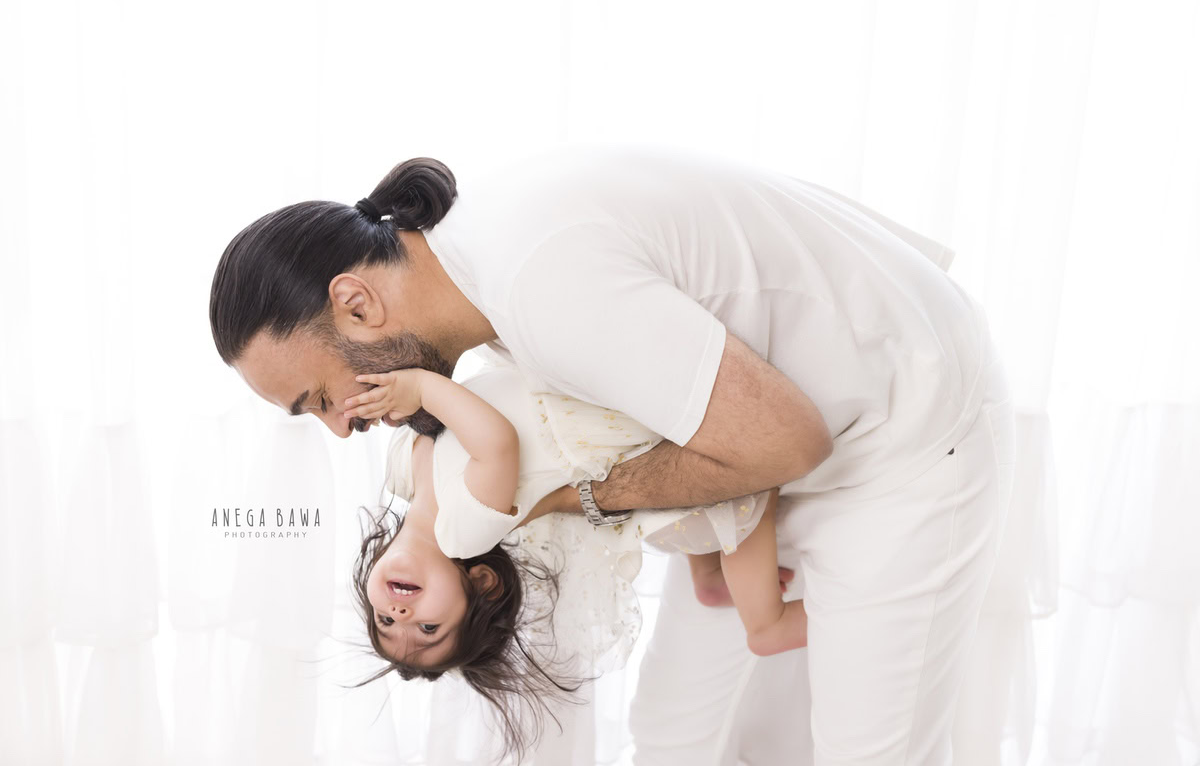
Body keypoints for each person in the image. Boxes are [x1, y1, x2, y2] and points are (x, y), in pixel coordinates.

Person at [210, 141, 1014, 764]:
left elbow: (784, 441)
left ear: (355, 301)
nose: (341, 427)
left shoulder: (543, 287)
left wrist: (588, 500)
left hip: (906, 429)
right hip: (782, 436)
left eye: (320, 398)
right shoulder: (489, 277)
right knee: (672, 725)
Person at [349, 362, 804, 762]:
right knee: (740, 507)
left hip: (573, 402)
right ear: (483, 582)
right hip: (614, 436)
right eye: (429, 629)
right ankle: (772, 622)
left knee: (690, 522)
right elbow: (496, 442)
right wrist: (422, 389)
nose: (401, 615)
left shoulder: (402, 474)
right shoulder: (463, 531)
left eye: (385, 621)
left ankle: (707, 575)